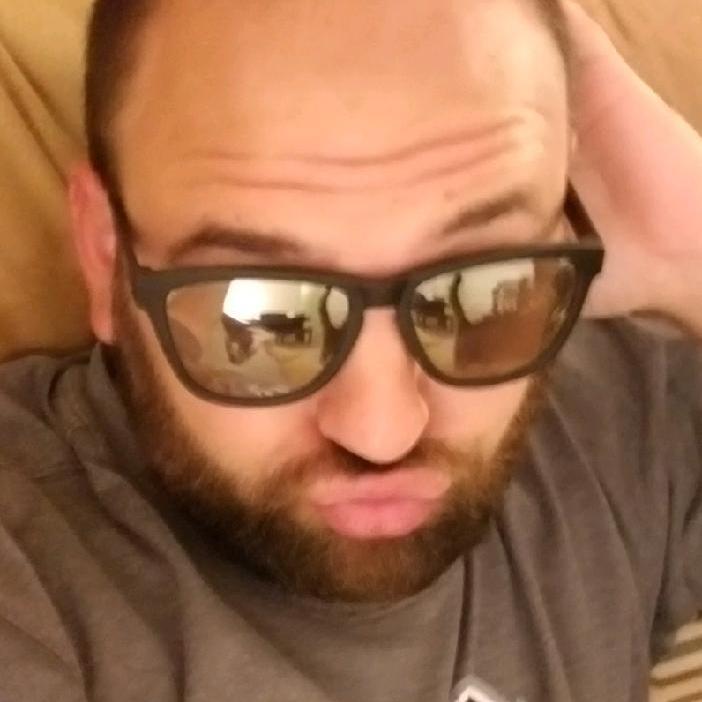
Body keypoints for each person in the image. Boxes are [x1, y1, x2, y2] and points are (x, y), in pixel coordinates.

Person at [0, 1, 701, 700]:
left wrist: (689, 257)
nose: (382, 434)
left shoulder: (618, 418)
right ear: (106, 255)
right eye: (261, 315)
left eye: (480, 288)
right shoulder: (29, 578)